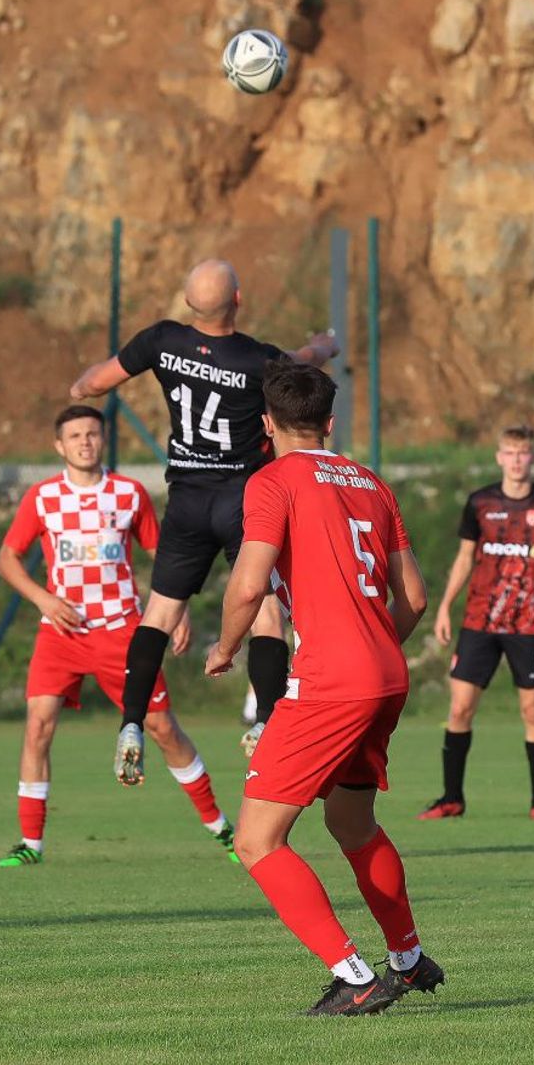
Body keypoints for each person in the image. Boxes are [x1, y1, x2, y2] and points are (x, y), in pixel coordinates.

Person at [205, 360, 442, 1015]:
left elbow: (248, 585)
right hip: (385, 675)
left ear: (267, 424)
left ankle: (355, 976)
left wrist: (225, 649)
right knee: (351, 821)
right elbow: (414, 597)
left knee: (256, 840)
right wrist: (375, 649)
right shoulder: (371, 483)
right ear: (330, 422)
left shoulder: (273, 480)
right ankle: (407, 958)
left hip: (333, 679)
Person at [68, 259, 338, 782]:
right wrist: (323, 347)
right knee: (265, 611)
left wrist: (81, 387)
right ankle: (265, 720)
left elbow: (96, 381)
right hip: (243, 500)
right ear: (238, 300)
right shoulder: (257, 359)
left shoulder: (163, 341)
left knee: (159, 613)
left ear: (188, 302)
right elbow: (300, 365)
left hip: (187, 499)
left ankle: (130, 724)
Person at [0, 405, 236, 867]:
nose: (84, 442)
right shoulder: (43, 497)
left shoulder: (128, 494)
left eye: (92, 433)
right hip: (61, 633)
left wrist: (178, 609)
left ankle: (221, 828)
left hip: (122, 630)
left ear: (103, 440)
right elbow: (7, 559)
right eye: (75, 436)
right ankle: (30, 844)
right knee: (38, 727)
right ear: (59, 446)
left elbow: (166, 556)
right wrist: (44, 600)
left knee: (162, 728)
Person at [418, 425, 534, 822]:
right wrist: (444, 606)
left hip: (529, 624)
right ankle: (451, 798)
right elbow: (464, 557)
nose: (517, 460)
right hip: (480, 622)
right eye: (510, 453)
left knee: (533, 711)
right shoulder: (481, 503)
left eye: (524, 453)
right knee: (460, 708)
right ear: (499, 457)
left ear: (533, 457)